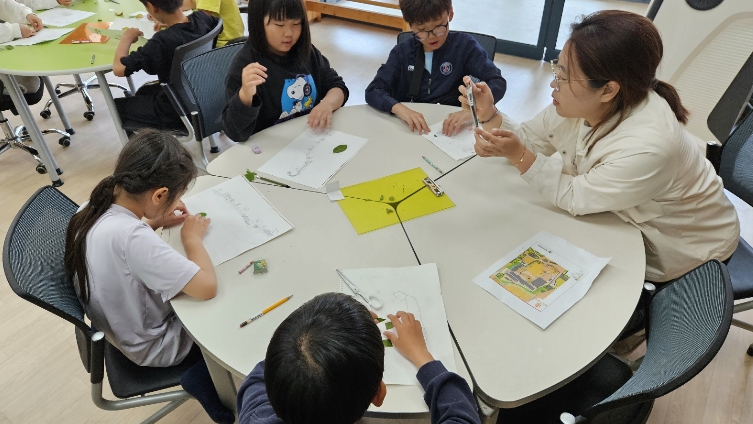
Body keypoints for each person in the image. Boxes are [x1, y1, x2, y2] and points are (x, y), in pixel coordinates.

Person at [463, 10, 739, 286]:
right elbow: (531, 139)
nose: (553, 82)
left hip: (687, 251)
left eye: (564, 76)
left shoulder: (649, 146)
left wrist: (519, 155)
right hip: (617, 214)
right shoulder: (586, 102)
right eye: (558, 67)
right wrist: (490, 115)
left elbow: (573, 196)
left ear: (608, 90)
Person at [63, 130, 234, 424]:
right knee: (232, 304)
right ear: (159, 195)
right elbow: (206, 287)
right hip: (155, 345)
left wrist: (154, 220)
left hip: (119, 327)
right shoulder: (132, 237)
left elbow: (124, 249)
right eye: (176, 196)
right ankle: (207, 380)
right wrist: (191, 238)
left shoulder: (89, 208)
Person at [236, 293, 480, 424]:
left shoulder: (256, 415)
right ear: (379, 394)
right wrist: (421, 355)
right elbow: (461, 415)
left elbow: (261, 376)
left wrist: (332, 328)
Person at [365, 0, 506, 136]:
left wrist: (472, 110)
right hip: (411, 128)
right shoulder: (402, 52)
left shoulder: (465, 46)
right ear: (410, 25)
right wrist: (400, 109)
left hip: (454, 127)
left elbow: (497, 81)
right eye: (422, 30)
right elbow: (373, 90)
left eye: (438, 27)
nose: (432, 37)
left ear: (450, 14)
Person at [222, 0, 348, 142]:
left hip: (310, 139)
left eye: (296, 23)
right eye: (279, 25)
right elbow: (234, 133)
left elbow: (338, 87)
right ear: (258, 23)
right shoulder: (247, 66)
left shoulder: (306, 52)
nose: (289, 33)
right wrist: (245, 94)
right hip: (270, 147)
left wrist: (327, 104)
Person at [112, 0, 219, 131]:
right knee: (143, 92)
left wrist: (126, 38)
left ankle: (147, 143)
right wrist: (171, 26)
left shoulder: (161, 42)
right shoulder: (203, 19)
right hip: (207, 97)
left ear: (152, 7)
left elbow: (119, 69)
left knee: (115, 107)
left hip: (177, 111)